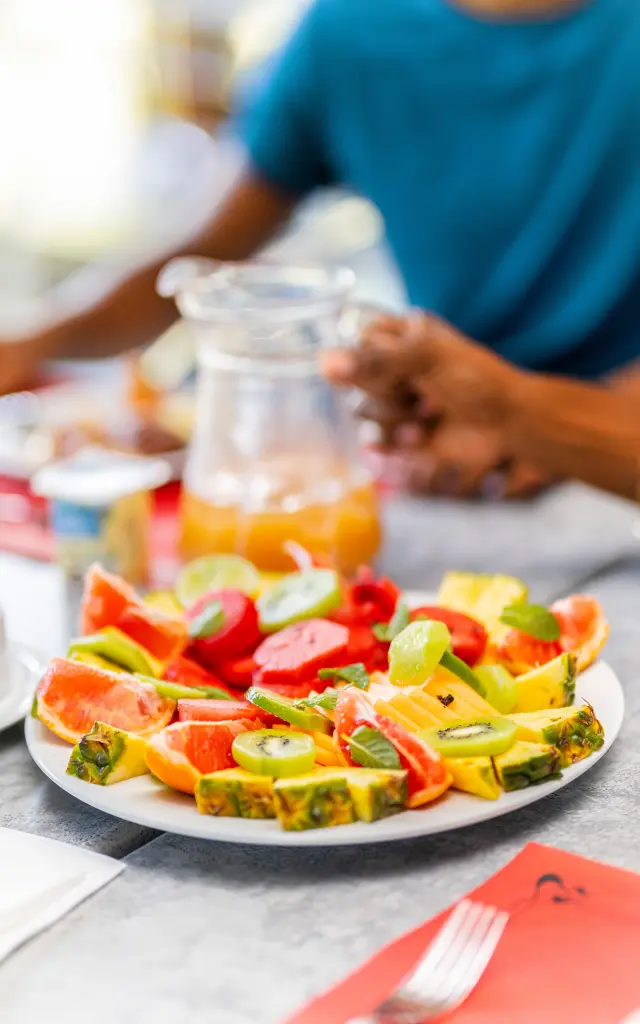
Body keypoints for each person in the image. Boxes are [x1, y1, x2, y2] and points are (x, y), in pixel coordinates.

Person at [3, 0, 640, 497]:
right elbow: (202, 250)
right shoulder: (349, 33)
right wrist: (33, 339)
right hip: (440, 450)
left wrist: (545, 424)